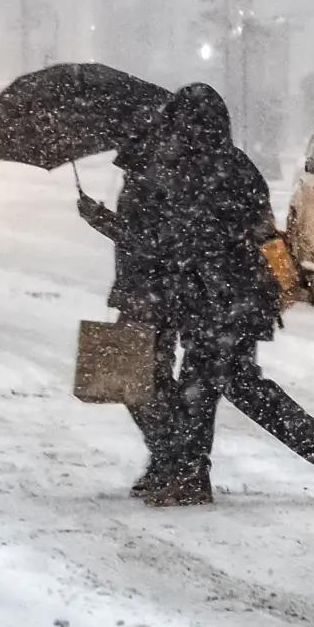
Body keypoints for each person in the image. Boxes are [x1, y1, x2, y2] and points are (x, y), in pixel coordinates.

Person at [80, 84, 314, 507]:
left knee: (200, 386)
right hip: (231, 298)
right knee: (228, 383)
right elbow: (239, 233)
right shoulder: (229, 166)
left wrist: (112, 226)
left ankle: (187, 473)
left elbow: (175, 240)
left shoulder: (196, 170)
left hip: (222, 299)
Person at [81, 127, 181, 496]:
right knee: (149, 380)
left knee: (137, 381)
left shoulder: (149, 183)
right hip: (150, 294)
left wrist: (102, 220)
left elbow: (148, 242)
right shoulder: (145, 178)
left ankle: (171, 457)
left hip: (150, 296)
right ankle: (170, 457)